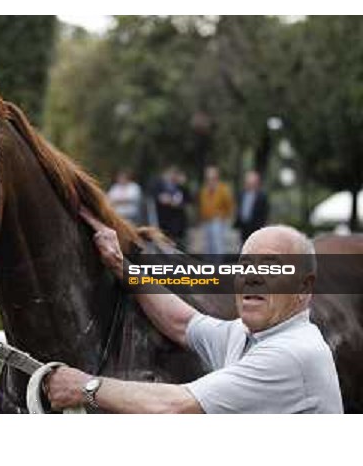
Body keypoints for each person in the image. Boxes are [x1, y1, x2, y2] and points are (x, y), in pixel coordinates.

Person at [45, 211, 343, 414]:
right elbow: (183, 323)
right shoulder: (245, 334)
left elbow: (175, 406)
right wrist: (122, 268)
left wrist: (84, 386)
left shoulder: (293, 354)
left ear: (304, 287)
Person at [150, 166, 191, 248]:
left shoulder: (180, 187)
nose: (172, 176)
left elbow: (188, 200)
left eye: (174, 174)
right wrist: (163, 199)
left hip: (179, 224)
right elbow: (157, 198)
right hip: (164, 223)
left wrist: (183, 185)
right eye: (169, 173)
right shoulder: (159, 186)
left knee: (180, 246)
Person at [199, 166, 234, 258]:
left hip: (217, 220)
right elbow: (202, 204)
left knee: (218, 246)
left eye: (212, 177)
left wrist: (224, 218)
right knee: (207, 246)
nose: (210, 180)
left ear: (217, 177)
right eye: (208, 178)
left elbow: (229, 205)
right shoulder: (204, 190)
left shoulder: (223, 189)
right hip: (206, 220)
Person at [235, 170, 269, 244]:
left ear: (256, 183)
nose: (249, 184)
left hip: (256, 227)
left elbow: (265, 213)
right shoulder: (242, 194)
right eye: (248, 182)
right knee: (243, 246)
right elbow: (239, 208)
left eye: (252, 182)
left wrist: (262, 226)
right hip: (244, 226)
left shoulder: (262, 196)